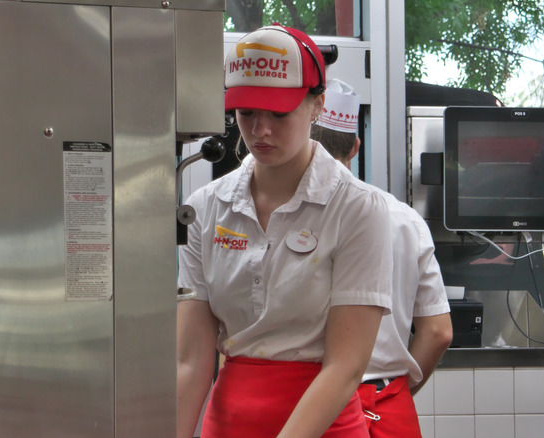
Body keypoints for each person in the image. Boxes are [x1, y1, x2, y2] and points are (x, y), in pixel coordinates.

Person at [176, 25, 394, 438]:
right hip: (229, 423)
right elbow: (190, 361)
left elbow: (345, 367)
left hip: (323, 424)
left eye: (278, 113)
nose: (260, 130)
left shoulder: (356, 208)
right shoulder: (205, 208)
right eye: (246, 113)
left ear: (317, 105)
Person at [312, 78, 453, 438]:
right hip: (387, 405)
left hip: (309, 404)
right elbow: (438, 332)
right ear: (356, 146)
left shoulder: (287, 215)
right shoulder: (404, 218)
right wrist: (396, 391)